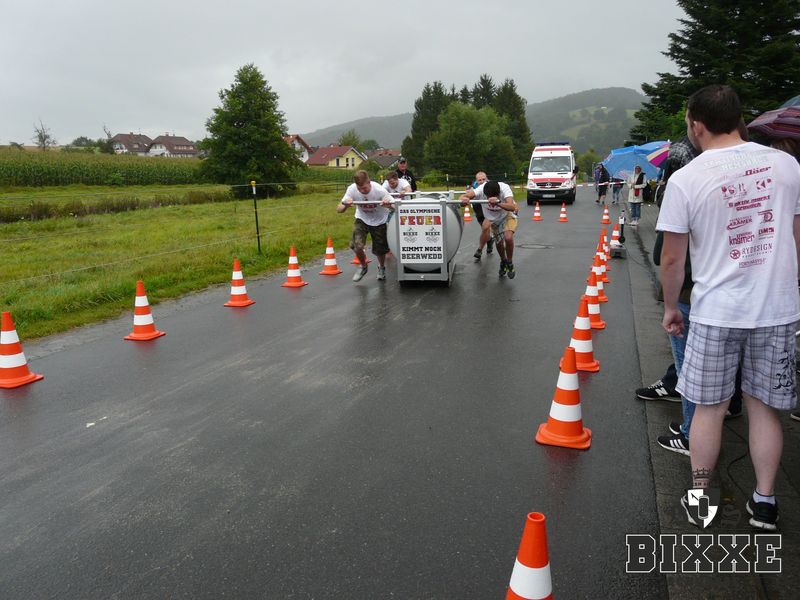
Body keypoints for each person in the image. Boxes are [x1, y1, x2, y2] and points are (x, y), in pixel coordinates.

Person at [658, 84, 800, 530]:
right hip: (777, 308)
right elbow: (796, 237)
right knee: (763, 408)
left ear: (697, 124)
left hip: (716, 311)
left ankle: (701, 500)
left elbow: (673, 259)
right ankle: (765, 502)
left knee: (709, 409)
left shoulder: (687, 178)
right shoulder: (787, 166)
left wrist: (671, 308)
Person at [337, 170, 394, 282]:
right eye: (359, 188)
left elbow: (394, 207)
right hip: (362, 219)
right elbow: (339, 209)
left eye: (364, 188)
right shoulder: (352, 189)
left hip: (379, 221)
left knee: (380, 250)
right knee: (356, 245)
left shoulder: (379, 190)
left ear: (369, 182)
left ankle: (381, 267)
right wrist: (346, 205)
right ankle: (363, 266)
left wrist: (388, 204)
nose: (362, 191)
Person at [460, 180, 519, 278]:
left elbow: (512, 206)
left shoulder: (504, 188)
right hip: (494, 218)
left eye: (493, 197)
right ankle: (503, 261)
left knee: (508, 237)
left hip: (507, 214)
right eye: (488, 197)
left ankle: (510, 262)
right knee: (499, 242)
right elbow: (463, 197)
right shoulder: (480, 189)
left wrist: (498, 203)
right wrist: (463, 200)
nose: (489, 200)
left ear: (498, 193)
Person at [469, 171, 494, 259]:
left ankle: (480, 249)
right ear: (476, 181)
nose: (482, 181)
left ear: (487, 179)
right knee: (484, 230)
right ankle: (490, 240)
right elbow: (468, 194)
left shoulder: (491, 185)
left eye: (484, 179)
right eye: (480, 180)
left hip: (488, 208)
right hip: (478, 208)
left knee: (485, 228)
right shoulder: (473, 187)